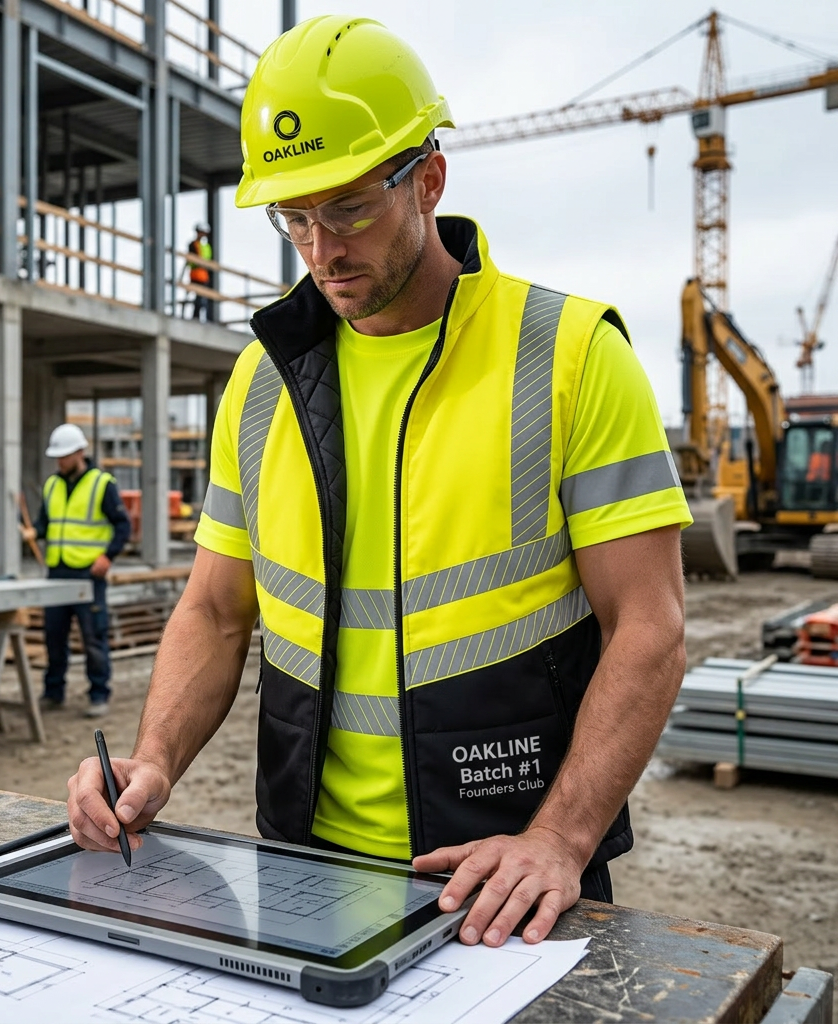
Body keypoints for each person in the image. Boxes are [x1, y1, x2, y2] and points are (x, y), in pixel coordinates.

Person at [67, 16, 692, 949]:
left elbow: (649, 626)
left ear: (428, 178)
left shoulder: (567, 356)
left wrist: (560, 839)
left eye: (350, 206)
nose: (322, 249)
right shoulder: (262, 381)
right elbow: (215, 609)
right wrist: (153, 758)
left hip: (502, 877)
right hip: (299, 863)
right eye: (293, 219)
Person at [22, 424, 131, 718]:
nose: (59, 461)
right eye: (57, 456)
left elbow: (123, 526)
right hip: (57, 572)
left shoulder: (101, 484)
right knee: (53, 636)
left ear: (80, 452)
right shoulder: (51, 485)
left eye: (64, 455)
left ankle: (98, 693)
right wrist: (35, 532)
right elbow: (48, 522)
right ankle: (53, 692)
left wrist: (107, 557)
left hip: (88, 575)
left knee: (93, 636)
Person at [186, 224, 213, 322]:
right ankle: (195, 317)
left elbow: (207, 260)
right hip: (195, 275)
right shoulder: (193, 244)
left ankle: (199, 317)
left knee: (201, 299)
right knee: (196, 298)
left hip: (203, 276)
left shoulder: (206, 247)